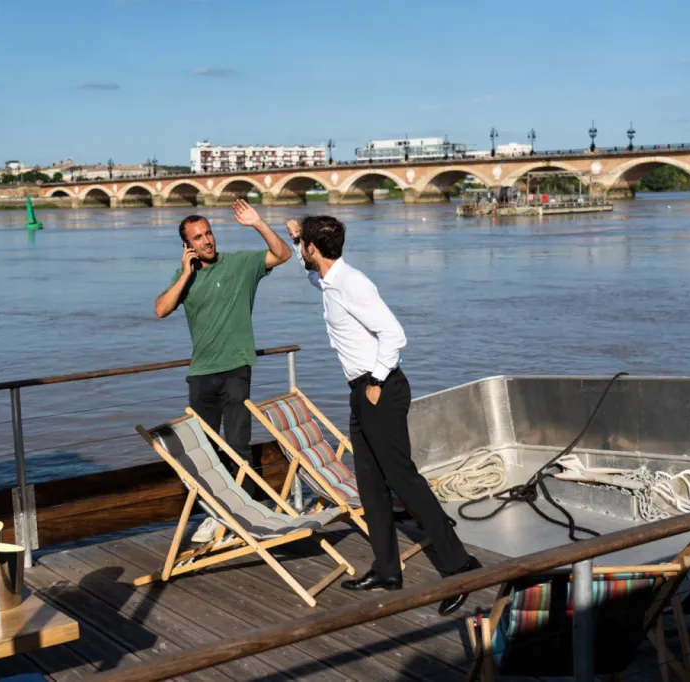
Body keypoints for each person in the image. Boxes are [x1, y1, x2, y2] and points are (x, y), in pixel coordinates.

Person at [285, 214, 481, 617]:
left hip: (381, 390)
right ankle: (387, 569)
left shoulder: (352, 283)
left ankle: (460, 566)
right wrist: (295, 239)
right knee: (371, 485)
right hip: (362, 392)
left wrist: (376, 380)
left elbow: (394, 333)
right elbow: (312, 275)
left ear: (314, 248)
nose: (302, 251)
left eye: (304, 245)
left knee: (403, 481)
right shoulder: (330, 280)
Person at [154, 199, 292, 543]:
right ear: (187, 245)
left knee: (237, 447)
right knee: (204, 453)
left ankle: (240, 517)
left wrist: (258, 223)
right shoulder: (185, 277)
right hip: (201, 373)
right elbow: (161, 309)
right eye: (198, 237)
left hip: (235, 369)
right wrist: (186, 274)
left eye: (209, 233)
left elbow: (283, 254)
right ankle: (217, 515)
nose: (207, 240)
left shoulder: (241, 264)